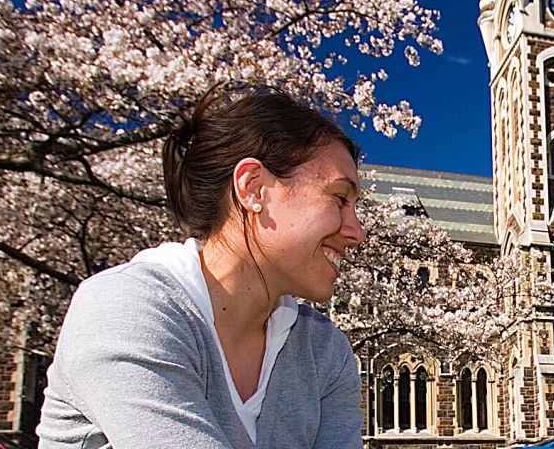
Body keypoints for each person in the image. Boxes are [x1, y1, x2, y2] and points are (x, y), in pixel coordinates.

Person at [37, 92, 367, 448]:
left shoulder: (323, 352)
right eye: (339, 198)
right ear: (254, 187)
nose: (357, 232)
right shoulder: (125, 310)